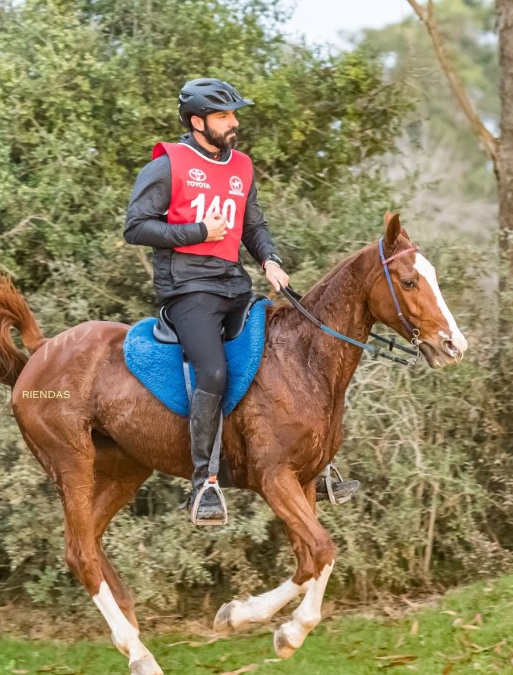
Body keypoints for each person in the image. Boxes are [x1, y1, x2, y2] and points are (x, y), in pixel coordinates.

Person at [124, 78, 358, 525]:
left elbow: (253, 225)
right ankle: (203, 484)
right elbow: (136, 227)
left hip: (234, 286)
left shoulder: (241, 167)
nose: (234, 123)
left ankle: (317, 463)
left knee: (291, 353)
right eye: (224, 116)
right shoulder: (168, 165)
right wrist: (195, 232)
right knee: (213, 371)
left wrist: (269, 258)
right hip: (189, 291)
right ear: (197, 122)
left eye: (234, 115)